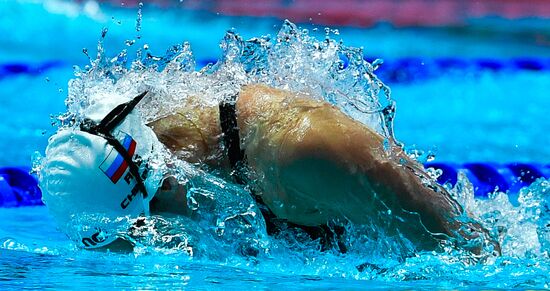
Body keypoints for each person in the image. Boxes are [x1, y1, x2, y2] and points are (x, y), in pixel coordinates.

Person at [39, 84, 500, 256]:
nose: (162, 237)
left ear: (161, 170)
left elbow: (473, 254)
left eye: (148, 223)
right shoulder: (200, 167)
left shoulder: (303, 152)